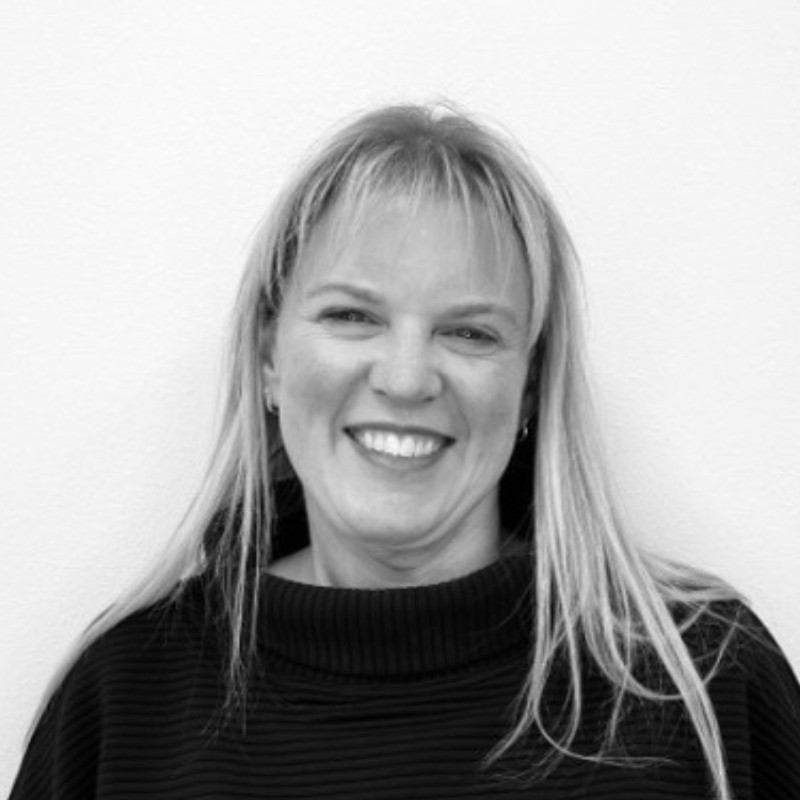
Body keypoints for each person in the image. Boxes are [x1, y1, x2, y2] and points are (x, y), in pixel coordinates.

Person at [9, 103, 800, 800]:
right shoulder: (126, 698)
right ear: (269, 356)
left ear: (529, 387)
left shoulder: (703, 680)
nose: (407, 377)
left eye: (470, 332)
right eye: (352, 316)